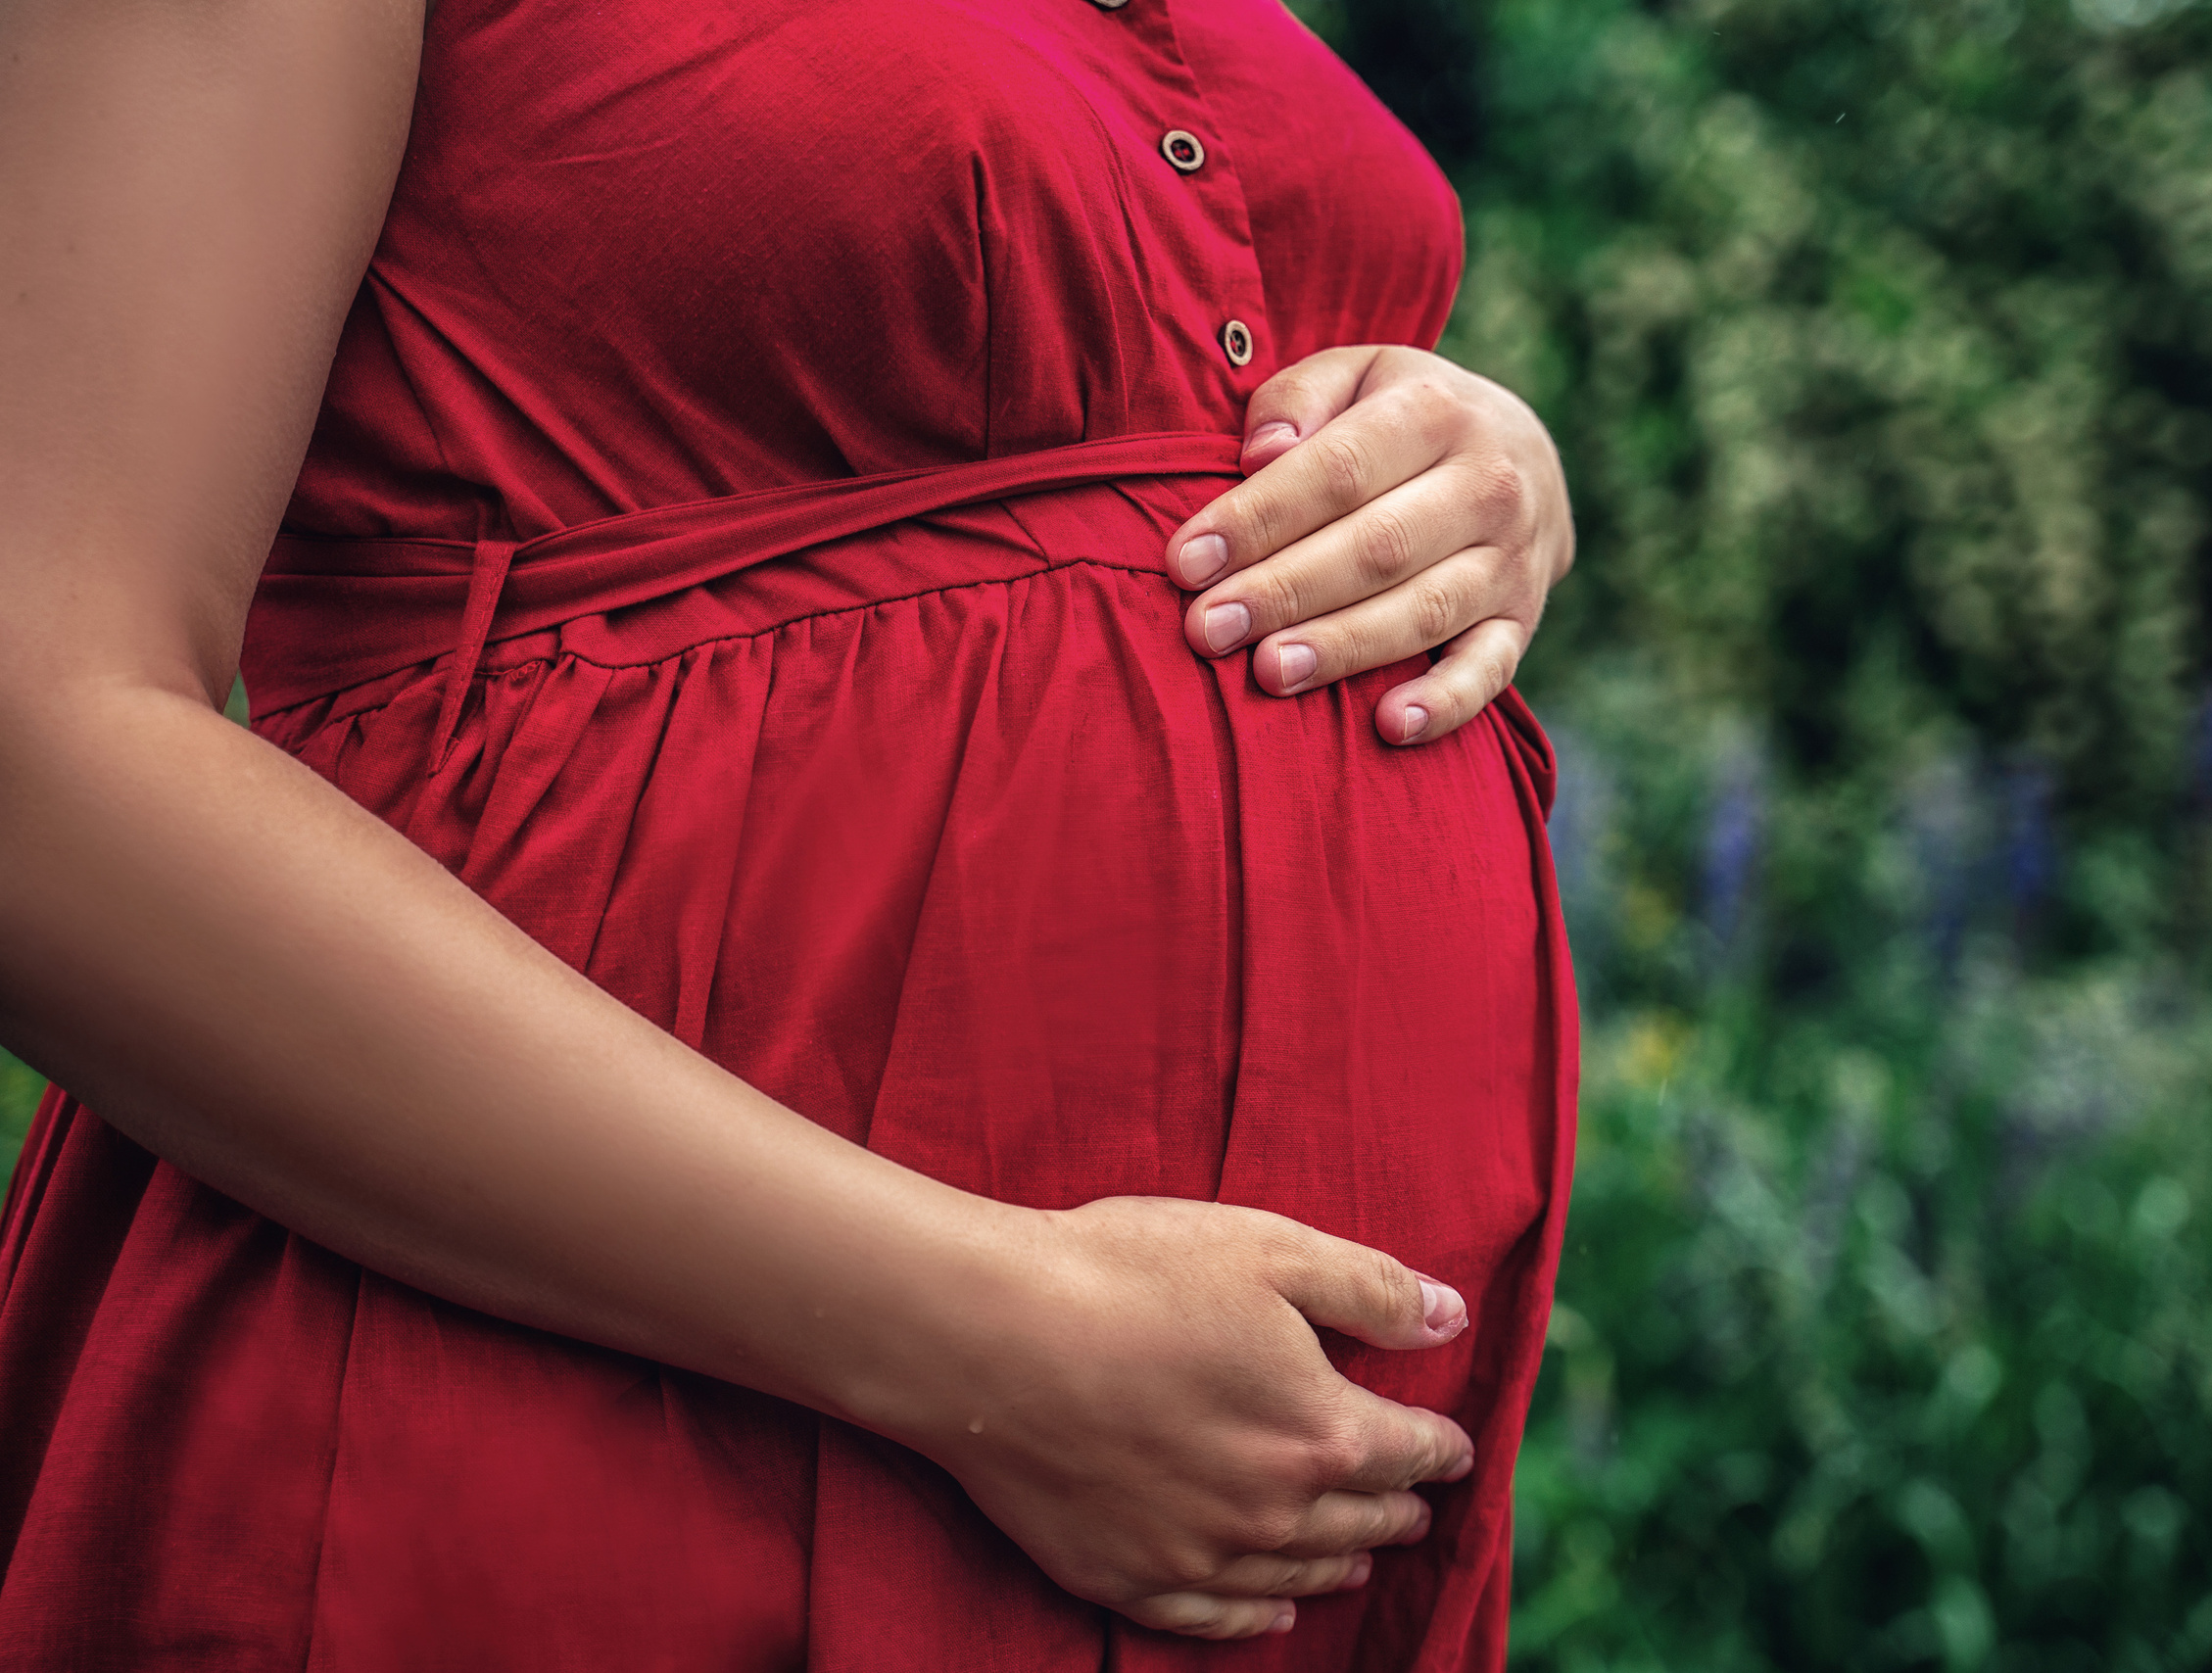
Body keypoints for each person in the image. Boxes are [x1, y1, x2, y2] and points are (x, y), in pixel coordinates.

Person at [0, 0, 1576, 1666]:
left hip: (1246, 1523)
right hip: (604, 1420)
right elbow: (37, 743)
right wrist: (987, 1341)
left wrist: (1476, 474)